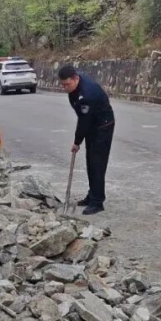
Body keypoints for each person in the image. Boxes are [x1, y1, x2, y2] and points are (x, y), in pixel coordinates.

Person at [58, 66, 115, 215]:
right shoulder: (76, 85)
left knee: (97, 163)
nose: (65, 88)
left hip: (102, 126)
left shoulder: (87, 95)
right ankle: (92, 195)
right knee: (91, 161)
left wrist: (77, 142)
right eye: (62, 85)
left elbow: (84, 122)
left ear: (76, 78)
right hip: (92, 123)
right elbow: (83, 118)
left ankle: (97, 202)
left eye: (67, 85)